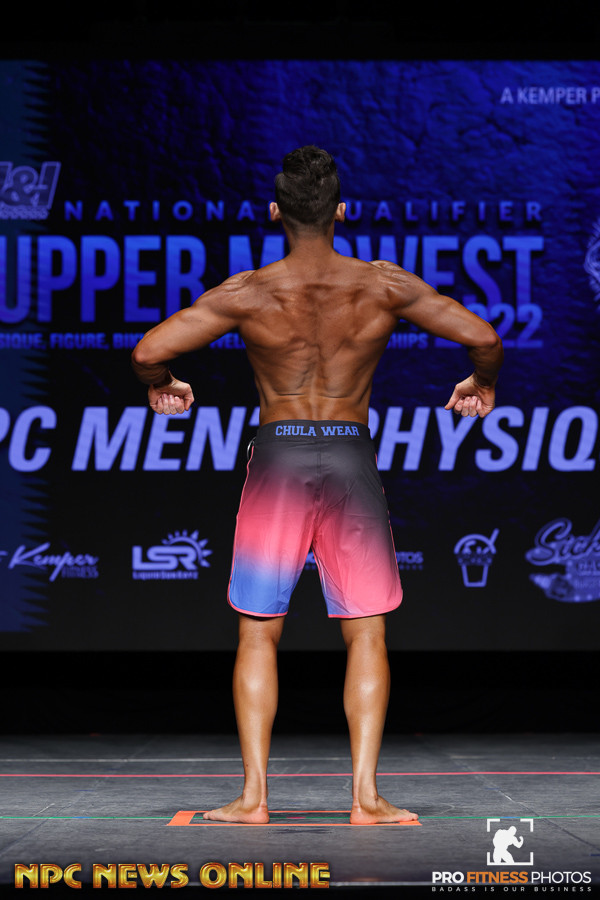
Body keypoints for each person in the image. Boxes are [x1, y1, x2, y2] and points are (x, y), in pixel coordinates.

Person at [131, 145, 503, 825]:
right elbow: (483, 336)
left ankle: (253, 799)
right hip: (349, 457)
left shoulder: (249, 292)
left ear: (275, 212)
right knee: (366, 632)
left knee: (258, 632)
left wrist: (164, 385)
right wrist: (481, 381)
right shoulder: (382, 286)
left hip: (278, 458)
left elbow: (148, 351)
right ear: (342, 211)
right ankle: (365, 799)